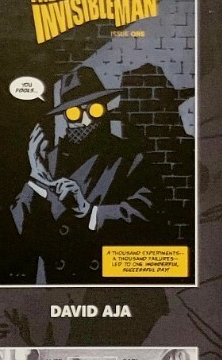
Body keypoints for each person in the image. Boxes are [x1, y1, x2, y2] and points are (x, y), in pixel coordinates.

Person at [9, 64, 166, 282]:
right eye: (74, 113)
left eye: (94, 110)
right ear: (65, 116)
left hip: (101, 282)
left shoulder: (130, 158)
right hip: (54, 283)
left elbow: (146, 216)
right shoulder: (49, 160)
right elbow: (20, 226)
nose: (86, 121)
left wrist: (88, 211)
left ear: (105, 109)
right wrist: (35, 179)